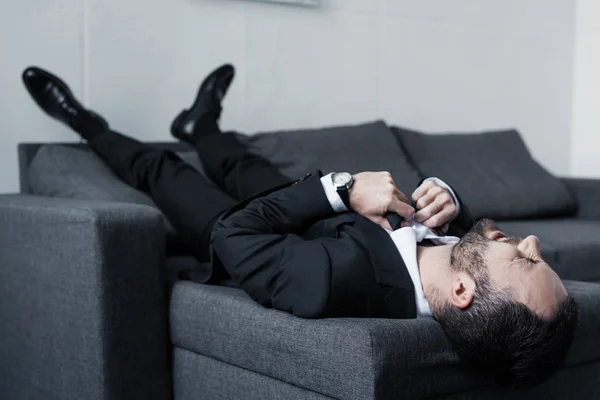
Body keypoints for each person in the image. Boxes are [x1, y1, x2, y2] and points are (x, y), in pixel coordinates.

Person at [22, 64, 579, 388]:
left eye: (525, 259)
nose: (533, 242)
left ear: (462, 293)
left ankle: (84, 121)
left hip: (248, 232)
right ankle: (202, 124)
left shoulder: (336, 282)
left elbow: (233, 236)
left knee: (162, 168)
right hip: (305, 210)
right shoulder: (454, 273)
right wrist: (449, 202)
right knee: (241, 164)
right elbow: (466, 241)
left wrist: (340, 190)